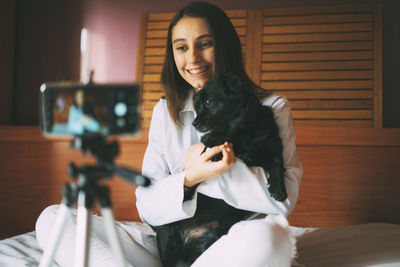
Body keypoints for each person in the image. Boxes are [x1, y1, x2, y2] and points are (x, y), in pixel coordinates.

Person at [35, 2, 302, 266]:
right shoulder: (165, 111)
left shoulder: (270, 107)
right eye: (182, 48)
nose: (193, 58)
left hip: (227, 245)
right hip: (167, 246)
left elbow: (283, 201)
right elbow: (147, 206)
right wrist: (190, 177)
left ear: (225, 46)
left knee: (271, 237)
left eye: (205, 44)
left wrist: (215, 170)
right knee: (52, 218)